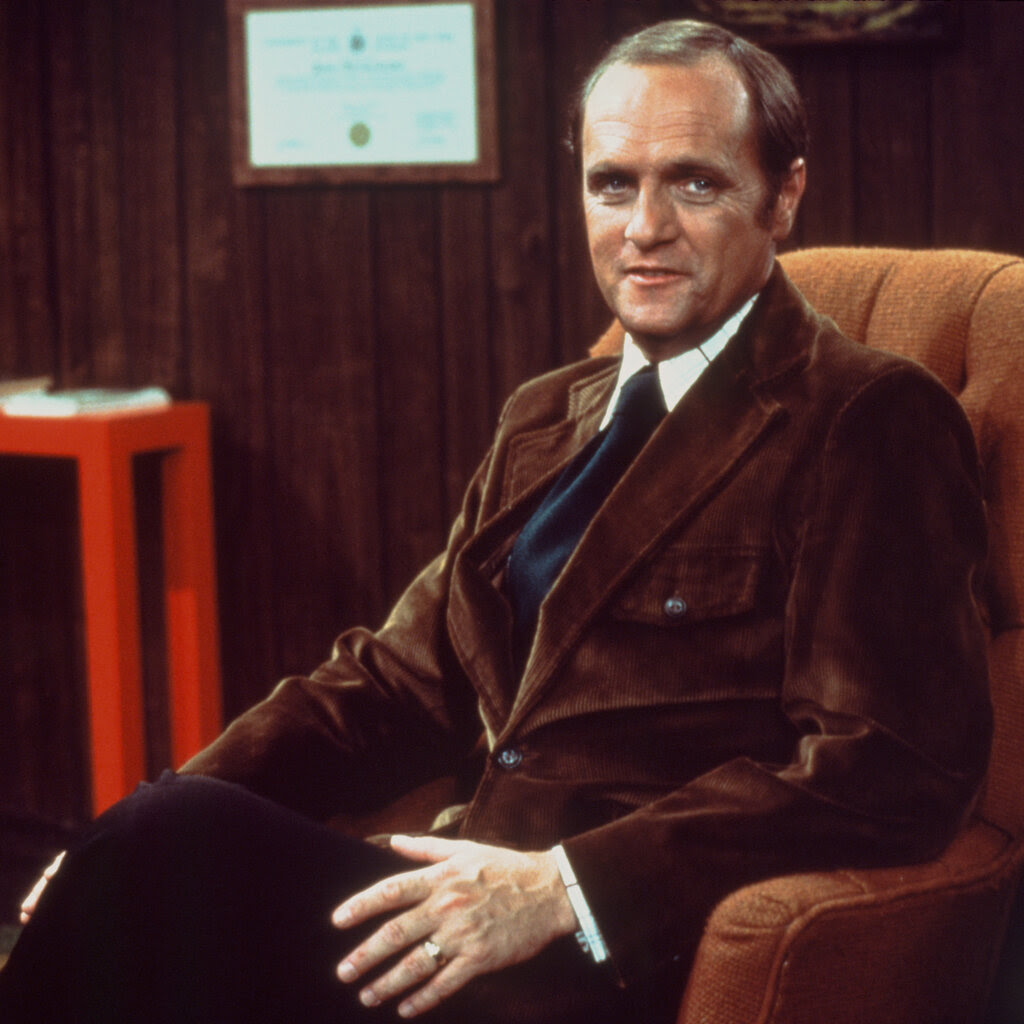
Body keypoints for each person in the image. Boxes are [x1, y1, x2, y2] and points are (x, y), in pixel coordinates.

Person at [0, 17, 991, 1024]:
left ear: (782, 196)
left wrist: (562, 888)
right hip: (448, 904)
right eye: (613, 183)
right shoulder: (543, 416)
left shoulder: (867, 419)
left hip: (625, 944)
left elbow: (890, 767)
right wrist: (107, 847)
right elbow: (383, 687)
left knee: (156, 867)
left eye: (692, 182)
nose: (643, 225)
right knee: (151, 856)